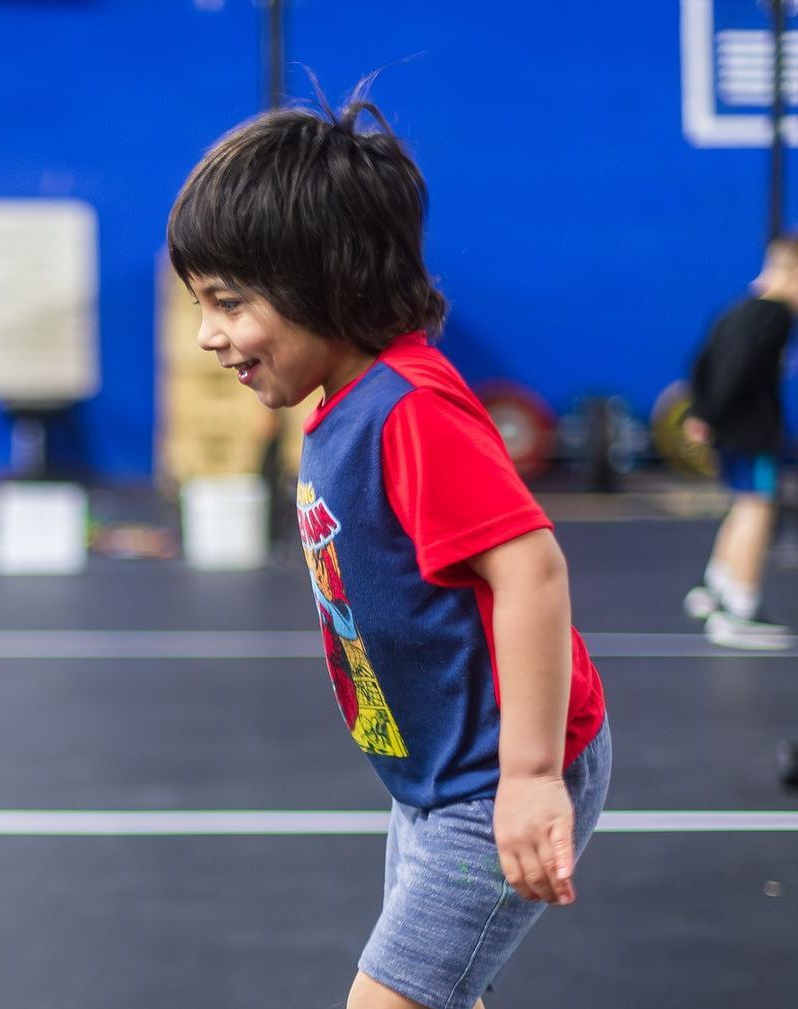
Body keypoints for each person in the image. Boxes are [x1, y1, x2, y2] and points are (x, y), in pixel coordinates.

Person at [167, 86, 610, 1009]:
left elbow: (530, 566)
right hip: (430, 779)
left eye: (228, 302)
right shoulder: (345, 407)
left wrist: (527, 778)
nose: (209, 335)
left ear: (320, 280)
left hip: (488, 783)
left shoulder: (408, 411)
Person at [681, 237, 798, 650]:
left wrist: (702, 411)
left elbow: (702, 361)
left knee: (742, 503)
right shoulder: (774, 315)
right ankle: (739, 611)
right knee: (758, 507)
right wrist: (709, 413)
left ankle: (714, 590)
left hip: (731, 429)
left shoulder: (737, 311)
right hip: (752, 431)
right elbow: (736, 368)